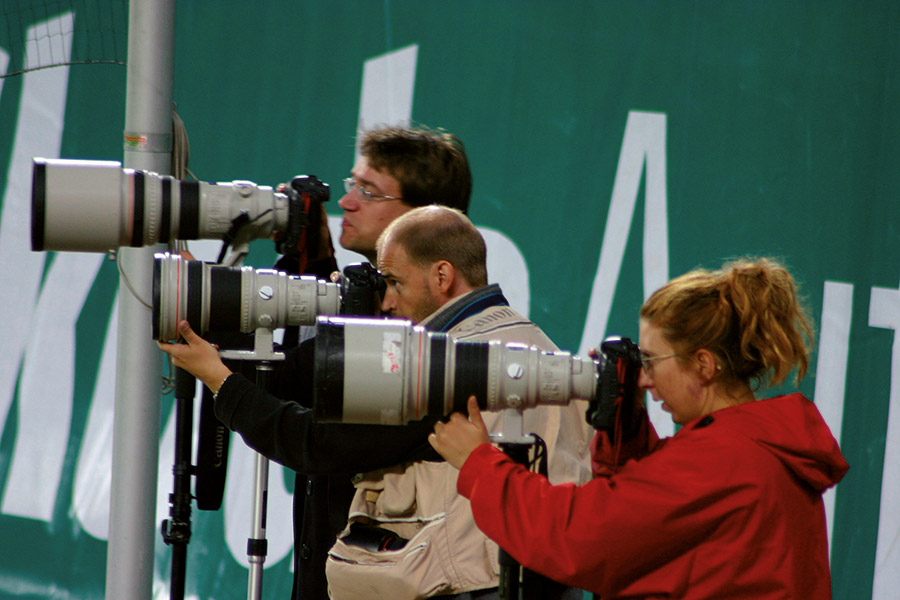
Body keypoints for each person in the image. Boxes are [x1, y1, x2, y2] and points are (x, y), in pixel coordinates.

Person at [160, 206, 592, 599]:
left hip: (471, 588)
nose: (385, 301)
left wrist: (219, 380)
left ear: (442, 276)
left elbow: (315, 443)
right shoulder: (535, 345)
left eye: (395, 282)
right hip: (541, 581)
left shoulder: (445, 366)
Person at [160, 124, 474, 600]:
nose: (347, 202)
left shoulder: (430, 344)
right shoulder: (360, 300)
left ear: (426, 217)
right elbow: (283, 380)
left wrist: (217, 376)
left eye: (369, 192)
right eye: (352, 184)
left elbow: (315, 439)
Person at [429, 257, 850, 599]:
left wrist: (480, 465)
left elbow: (580, 540)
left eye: (651, 361)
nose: (644, 380)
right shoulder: (755, 445)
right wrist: (624, 430)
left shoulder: (719, 460)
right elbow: (655, 537)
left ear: (703, 364)